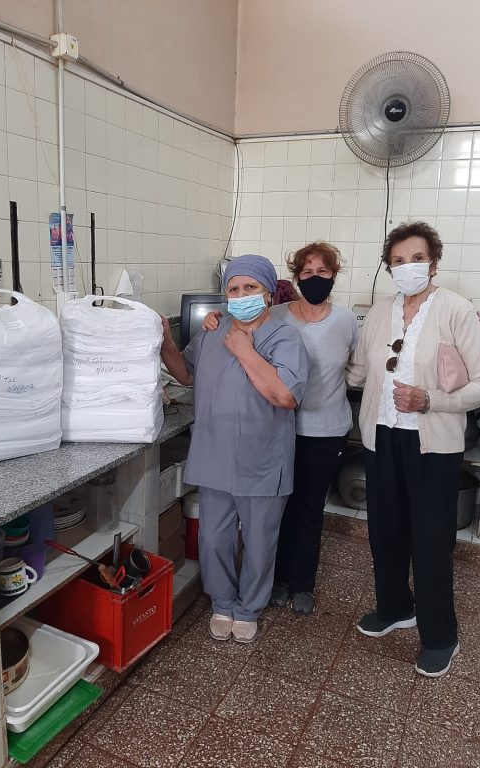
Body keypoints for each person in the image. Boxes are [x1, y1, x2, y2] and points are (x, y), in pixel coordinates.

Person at [346, 221, 480, 678]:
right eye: (397, 260)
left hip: (432, 444)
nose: (407, 267)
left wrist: (431, 400)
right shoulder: (380, 312)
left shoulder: (455, 309)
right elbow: (357, 370)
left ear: (433, 263)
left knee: (430, 539)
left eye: (416, 258)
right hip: (382, 437)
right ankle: (395, 608)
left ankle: (440, 636)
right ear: (389, 267)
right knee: (384, 531)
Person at [204, 242, 358, 616]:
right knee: (274, 512)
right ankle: (277, 581)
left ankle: (301, 583)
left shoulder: (346, 321)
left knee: (308, 509)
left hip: (323, 428)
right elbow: (241, 323)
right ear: (294, 279)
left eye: (322, 272)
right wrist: (213, 318)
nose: (315, 278)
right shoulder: (275, 313)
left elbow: (358, 370)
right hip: (276, 429)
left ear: (334, 275)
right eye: (307, 272)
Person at [161, 254, 309, 644]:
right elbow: (185, 373)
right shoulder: (214, 330)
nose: (241, 295)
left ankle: (248, 608)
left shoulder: (285, 338)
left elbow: (285, 396)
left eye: (250, 287)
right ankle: (222, 602)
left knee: (259, 542)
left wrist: (245, 351)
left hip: (262, 460)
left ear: (268, 293)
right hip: (214, 454)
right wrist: (165, 343)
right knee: (213, 539)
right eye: (234, 289)